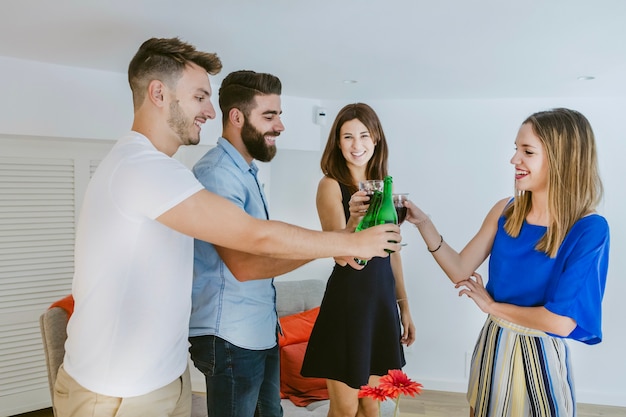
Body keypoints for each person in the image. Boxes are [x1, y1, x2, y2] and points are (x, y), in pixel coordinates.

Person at [53, 38, 402, 417]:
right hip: (119, 391)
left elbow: (255, 244)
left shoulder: (170, 171)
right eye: (200, 96)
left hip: (160, 378)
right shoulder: (144, 168)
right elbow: (252, 243)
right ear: (158, 93)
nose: (209, 109)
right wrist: (346, 241)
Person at [404, 108, 610, 417]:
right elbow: (460, 269)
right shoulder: (506, 210)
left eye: (527, 151)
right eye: (516, 149)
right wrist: (424, 224)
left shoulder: (589, 228)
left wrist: (491, 307)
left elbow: (560, 322)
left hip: (540, 353)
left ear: (562, 159)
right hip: (494, 342)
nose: (514, 159)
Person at [188, 70, 305, 416]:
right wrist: (331, 246)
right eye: (270, 116)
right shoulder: (217, 174)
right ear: (236, 117)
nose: (280, 126)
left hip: (258, 330)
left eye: (279, 115)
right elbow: (244, 265)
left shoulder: (246, 173)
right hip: (230, 338)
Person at [301, 103, 415, 417]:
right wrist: (352, 221)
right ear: (338, 143)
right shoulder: (330, 185)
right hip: (348, 307)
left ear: (376, 138)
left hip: (380, 306)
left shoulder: (384, 186)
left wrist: (403, 306)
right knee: (345, 408)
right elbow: (340, 255)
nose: (357, 144)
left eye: (363, 135)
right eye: (348, 137)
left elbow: (392, 253)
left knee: (372, 405)